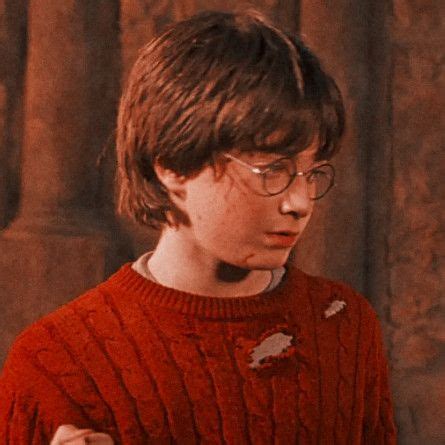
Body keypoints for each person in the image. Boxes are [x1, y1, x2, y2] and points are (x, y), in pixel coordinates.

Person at [0, 9, 397, 444]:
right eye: (271, 170)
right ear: (172, 165)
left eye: (312, 173)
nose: (300, 203)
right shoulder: (56, 365)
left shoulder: (343, 326)